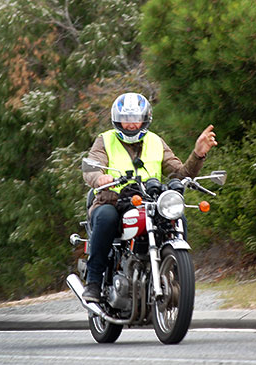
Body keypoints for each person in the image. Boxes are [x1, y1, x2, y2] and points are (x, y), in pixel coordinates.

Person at [81, 92, 217, 302]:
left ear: (145, 119)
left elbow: (179, 175)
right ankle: (94, 281)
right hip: (113, 200)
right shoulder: (105, 140)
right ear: (117, 119)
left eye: (136, 119)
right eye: (126, 119)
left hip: (149, 201)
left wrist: (198, 154)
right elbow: (92, 166)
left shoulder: (156, 141)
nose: (132, 124)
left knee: (178, 218)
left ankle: (176, 277)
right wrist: (98, 178)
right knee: (106, 218)